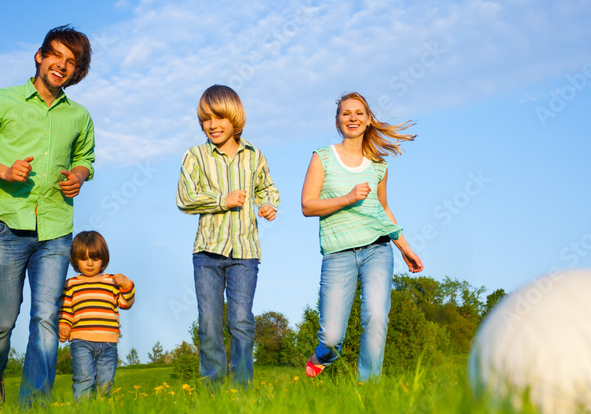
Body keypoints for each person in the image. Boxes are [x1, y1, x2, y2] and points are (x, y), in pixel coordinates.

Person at [0, 25, 95, 407]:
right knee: (2, 321)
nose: (61, 65)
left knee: (46, 319)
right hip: (6, 226)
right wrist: (3, 170)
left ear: (76, 72)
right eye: (56, 55)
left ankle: (32, 411)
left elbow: (86, 159)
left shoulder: (79, 116)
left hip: (55, 230)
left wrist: (79, 177)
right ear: (40, 55)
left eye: (71, 62)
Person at [301, 92, 423, 381]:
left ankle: (367, 389)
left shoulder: (379, 166)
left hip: (377, 249)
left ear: (368, 120)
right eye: (346, 113)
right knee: (331, 337)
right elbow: (307, 205)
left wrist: (404, 246)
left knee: (377, 317)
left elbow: (382, 209)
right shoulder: (323, 157)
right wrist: (346, 198)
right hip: (338, 253)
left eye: (358, 113)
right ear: (337, 121)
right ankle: (323, 356)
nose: (352, 118)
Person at [176, 84, 280, 385]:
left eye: (218, 118)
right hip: (207, 253)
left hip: (245, 254)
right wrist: (224, 200)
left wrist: (268, 204)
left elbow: (267, 188)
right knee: (209, 323)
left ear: (234, 118)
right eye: (206, 119)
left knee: (242, 322)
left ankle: (241, 390)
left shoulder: (254, 155)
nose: (212, 125)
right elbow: (185, 198)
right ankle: (212, 390)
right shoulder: (194, 156)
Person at [58, 231, 134, 400]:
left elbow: (125, 303)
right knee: (84, 379)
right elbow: (66, 310)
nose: (90, 263)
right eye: (84, 259)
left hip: (109, 343)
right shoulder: (71, 285)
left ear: (103, 260)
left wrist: (127, 284)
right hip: (81, 341)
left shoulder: (111, 282)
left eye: (95, 258)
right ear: (76, 260)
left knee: (105, 383)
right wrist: (63, 326)